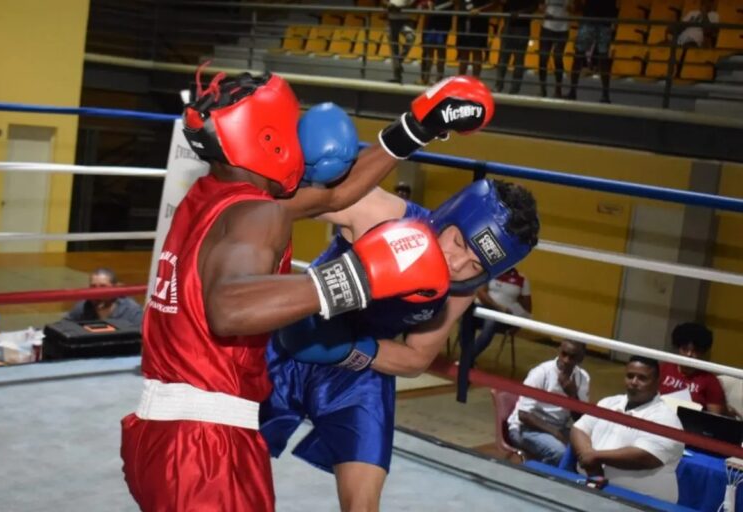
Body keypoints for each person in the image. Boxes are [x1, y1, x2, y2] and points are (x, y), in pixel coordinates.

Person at [120, 71, 495, 512]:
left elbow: (336, 197)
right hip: (206, 445)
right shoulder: (258, 214)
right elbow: (228, 308)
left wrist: (417, 127)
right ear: (269, 136)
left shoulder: (213, 194)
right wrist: (355, 278)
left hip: (159, 432)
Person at [262, 178, 540, 512]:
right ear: (449, 214)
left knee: (363, 505)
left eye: (476, 265)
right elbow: (273, 202)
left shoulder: (462, 290)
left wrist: (350, 350)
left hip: (360, 368)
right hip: (288, 340)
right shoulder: (382, 213)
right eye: (458, 242)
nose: (457, 265)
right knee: (227, 468)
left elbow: (416, 357)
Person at [571, 356, 684, 503]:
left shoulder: (667, 420)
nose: (634, 382)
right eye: (630, 376)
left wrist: (596, 457)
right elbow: (579, 428)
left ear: (657, 383)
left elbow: (645, 457)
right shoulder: (609, 402)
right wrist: (588, 457)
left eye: (642, 378)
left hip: (640, 502)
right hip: (593, 490)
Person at [507, 339, 588, 466]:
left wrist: (573, 395)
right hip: (525, 428)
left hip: (558, 427)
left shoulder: (582, 378)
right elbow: (523, 415)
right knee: (560, 453)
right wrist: (556, 433)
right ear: (559, 351)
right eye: (564, 354)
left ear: (581, 358)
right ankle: (540, 477)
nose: (566, 360)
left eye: (572, 357)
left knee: (587, 448)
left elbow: (581, 419)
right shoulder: (541, 373)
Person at [458, 266, 531, 373]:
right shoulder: (491, 271)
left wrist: (518, 324)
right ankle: (469, 360)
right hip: (484, 311)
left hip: (504, 318)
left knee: (491, 322)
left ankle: (467, 359)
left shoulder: (522, 279)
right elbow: (481, 293)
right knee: (467, 316)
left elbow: (527, 309)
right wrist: (498, 308)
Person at [659, 322, 727, 415]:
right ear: (678, 348)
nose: (689, 354)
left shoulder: (710, 381)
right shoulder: (664, 368)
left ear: (702, 352)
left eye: (695, 351)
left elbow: (714, 418)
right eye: (685, 349)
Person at [566, 0, 618, 103]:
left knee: (601, 58)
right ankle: (573, 91)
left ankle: (605, 94)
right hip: (592, 20)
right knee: (580, 55)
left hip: (602, 22)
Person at [64, 268, 143, 325]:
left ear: (116, 288)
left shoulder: (132, 311)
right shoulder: (83, 306)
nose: (97, 292)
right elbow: (63, 326)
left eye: (103, 286)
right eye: (93, 286)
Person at [495, 0, 540, 94]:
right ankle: (505, 87)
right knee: (508, 59)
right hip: (512, 25)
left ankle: (507, 87)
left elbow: (534, 6)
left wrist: (519, 14)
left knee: (513, 59)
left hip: (519, 26)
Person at [672, 0, 719, 77]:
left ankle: (678, 73)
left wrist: (704, 15)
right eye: (703, 3)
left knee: (687, 46)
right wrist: (685, 25)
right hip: (681, 39)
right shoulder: (692, 13)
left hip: (695, 41)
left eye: (708, 2)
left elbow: (709, 31)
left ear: (712, 4)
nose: (705, 5)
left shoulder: (714, 15)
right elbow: (680, 26)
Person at [456, 0, 499, 79]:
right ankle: (461, 80)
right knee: (463, 53)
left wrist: (480, 10)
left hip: (479, 24)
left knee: (477, 52)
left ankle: (476, 79)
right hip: (463, 23)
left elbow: (495, 3)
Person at [538, 0, 571, 98]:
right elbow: (540, 6)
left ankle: (558, 89)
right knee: (543, 58)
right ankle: (543, 88)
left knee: (558, 57)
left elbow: (573, 8)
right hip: (547, 28)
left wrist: (571, 6)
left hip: (563, 29)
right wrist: (545, 12)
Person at [420, 0, 454, 85]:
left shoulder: (449, 2)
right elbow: (424, 10)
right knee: (429, 54)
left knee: (441, 54)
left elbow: (451, 5)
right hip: (430, 27)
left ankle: (439, 79)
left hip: (442, 28)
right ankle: (426, 78)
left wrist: (433, 7)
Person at [387, 0, 419, 83]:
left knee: (411, 37)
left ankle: (399, 61)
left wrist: (399, 7)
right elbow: (384, 3)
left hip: (405, 22)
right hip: (391, 21)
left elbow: (413, 4)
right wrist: (388, 5)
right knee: (394, 50)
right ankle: (397, 77)